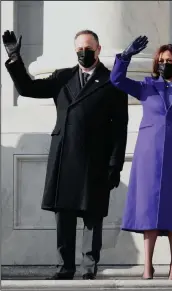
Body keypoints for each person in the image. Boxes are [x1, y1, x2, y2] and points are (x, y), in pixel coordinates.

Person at [2, 30, 129, 280]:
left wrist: (115, 164)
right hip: (65, 156)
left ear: (99, 49)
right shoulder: (63, 77)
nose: (84, 52)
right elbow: (28, 88)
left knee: (93, 214)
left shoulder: (112, 81)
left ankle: (88, 268)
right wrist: (15, 59)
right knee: (65, 214)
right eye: (80, 48)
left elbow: (119, 127)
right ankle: (65, 267)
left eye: (88, 48)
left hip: (96, 158)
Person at [110, 36, 172, 280]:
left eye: (170, 60)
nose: (165, 63)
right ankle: (148, 265)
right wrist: (125, 56)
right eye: (161, 60)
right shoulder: (146, 86)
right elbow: (116, 80)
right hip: (148, 155)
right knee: (149, 211)